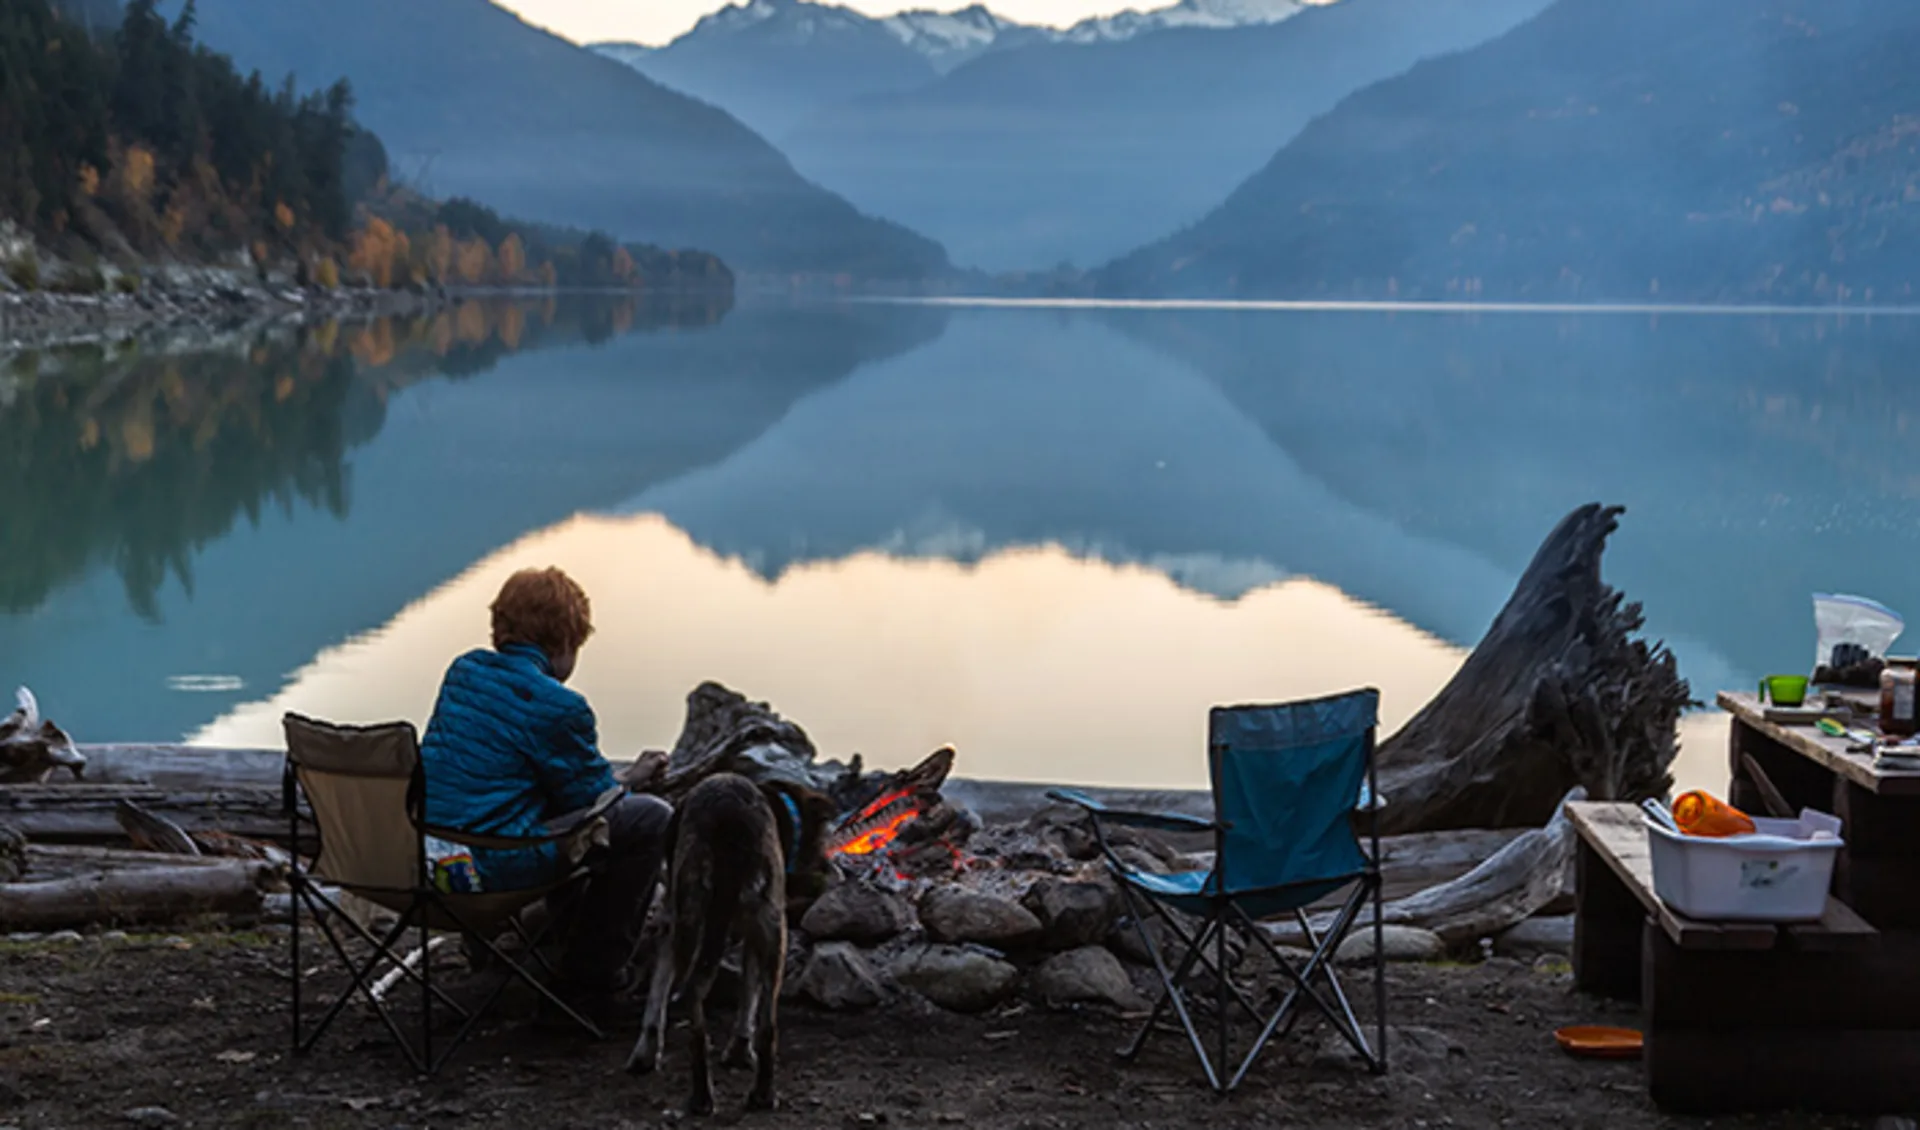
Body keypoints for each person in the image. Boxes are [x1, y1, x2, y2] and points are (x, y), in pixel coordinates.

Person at [418, 565, 671, 1008]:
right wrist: (633, 781)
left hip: (429, 861)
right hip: (487, 872)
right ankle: (594, 975)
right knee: (650, 819)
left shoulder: (464, 671)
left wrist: (617, 781)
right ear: (565, 642)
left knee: (534, 811)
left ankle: (537, 945)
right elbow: (593, 805)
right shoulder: (561, 706)